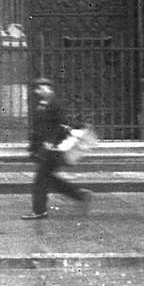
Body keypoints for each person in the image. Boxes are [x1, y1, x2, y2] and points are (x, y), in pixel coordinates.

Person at [22, 77, 89, 218]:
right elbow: (38, 127)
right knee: (49, 179)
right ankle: (79, 195)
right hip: (45, 148)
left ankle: (39, 211)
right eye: (39, 88)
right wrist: (34, 147)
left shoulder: (55, 104)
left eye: (44, 88)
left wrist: (50, 142)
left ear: (49, 88)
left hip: (51, 149)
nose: (41, 90)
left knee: (40, 180)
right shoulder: (42, 103)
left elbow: (61, 125)